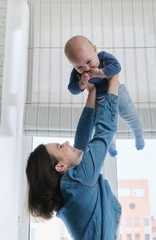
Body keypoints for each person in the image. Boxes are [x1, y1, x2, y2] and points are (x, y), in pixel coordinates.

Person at [26, 74, 121, 240]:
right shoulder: (78, 182)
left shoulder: (71, 187)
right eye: (61, 147)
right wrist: (113, 81)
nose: (66, 142)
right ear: (60, 166)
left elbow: (81, 143)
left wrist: (92, 92)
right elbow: (104, 131)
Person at [64, 35, 145, 157]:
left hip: (118, 92)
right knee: (103, 125)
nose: (86, 68)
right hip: (99, 99)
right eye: (80, 67)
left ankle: (139, 136)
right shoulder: (76, 73)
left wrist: (100, 72)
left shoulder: (103, 57)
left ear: (95, 50)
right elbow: (72, 89)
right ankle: (110, 146)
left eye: (88, 62)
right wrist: (81, 83)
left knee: (131, 115)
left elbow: (117, 67)